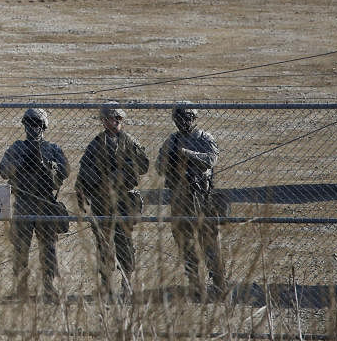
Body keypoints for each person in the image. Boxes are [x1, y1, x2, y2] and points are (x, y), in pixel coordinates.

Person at [74, 102, 149, 298]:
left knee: (124, 242)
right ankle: (106, 284)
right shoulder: (97, 143)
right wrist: (90, 187)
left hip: (124, 199)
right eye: (109, 119)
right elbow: (84, 171)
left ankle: (127, 282)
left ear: (121, 120)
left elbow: (143, 166)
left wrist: (121, 173)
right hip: (101, 200)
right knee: (103, 243)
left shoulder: (129, 141)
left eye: (116, 118)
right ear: (103, 121)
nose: (113, 122)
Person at [155, 103, 225, 301]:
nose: (183, 122)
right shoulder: (172, 140)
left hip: (202, 199)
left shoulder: (204, 138)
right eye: (179, 118)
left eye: (187, 118)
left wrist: (186, 154)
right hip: (180, 199)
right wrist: (170, 158)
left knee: (210, 244)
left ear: (195, 118)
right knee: (185, 244)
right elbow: (159, 167)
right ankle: (195, 285)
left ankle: (219, 285)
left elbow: (211, 160)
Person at [0, 108, 68, 301]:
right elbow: (3, 170)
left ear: (44, 126)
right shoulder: (17, 148)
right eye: (29, 123)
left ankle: (49, 288)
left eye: (37, 124)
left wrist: (47, 165)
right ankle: (20, 289)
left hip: (45, 202)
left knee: (48, 248)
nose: (33, 128)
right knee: (20, 248)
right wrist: (20, 163)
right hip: (23, 202)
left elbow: (65, 171)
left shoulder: (53, 149)